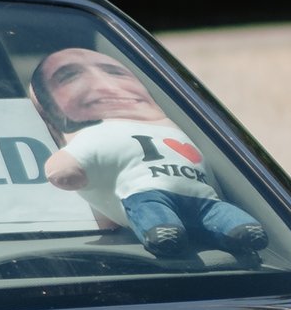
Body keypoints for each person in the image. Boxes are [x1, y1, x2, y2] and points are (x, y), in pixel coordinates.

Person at [25, 47, 266, 262]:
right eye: (70, 76)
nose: (107, 86)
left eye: (117, 73)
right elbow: (64, 170)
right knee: (148, 207)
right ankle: (162, 230)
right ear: (50, 112)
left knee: (214, 209)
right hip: (144, 196)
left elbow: (211, 181)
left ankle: (240, 231)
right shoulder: (94, 137)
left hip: (204, 198)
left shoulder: (183, 134)